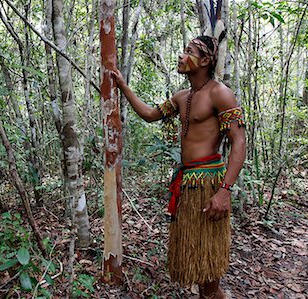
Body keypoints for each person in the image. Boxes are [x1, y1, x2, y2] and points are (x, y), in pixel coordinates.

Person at [111, 35, 246, 298]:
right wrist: (123, 86)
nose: (181, 56)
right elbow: (150, 115)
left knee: (208, 265)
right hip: (188, 184)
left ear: (205, 60)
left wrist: (225, 191)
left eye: (189, 52)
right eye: (183, 50)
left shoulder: (221, 93)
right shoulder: (181, 97)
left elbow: (239, 142)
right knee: (196, 261)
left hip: (209, 183)